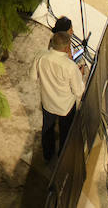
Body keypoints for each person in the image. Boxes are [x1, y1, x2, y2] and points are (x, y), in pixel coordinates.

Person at [33, 23, 85, 162]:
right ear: (67, 47)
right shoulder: (70, 67)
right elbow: (79, 91)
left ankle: (47, 156)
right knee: (65, 133)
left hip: (47, 103)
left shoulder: (40, 56)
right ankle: (62, 158)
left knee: (47, 129)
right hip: (65, 107)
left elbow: (32, 76)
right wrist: (80, 75)